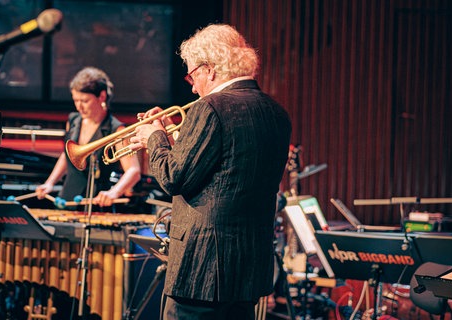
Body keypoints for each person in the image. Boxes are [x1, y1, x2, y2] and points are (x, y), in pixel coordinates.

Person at [129, 24, 292, 319]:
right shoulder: (276, 112)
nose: (192, 86)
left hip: (201, 272)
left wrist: (153, 138)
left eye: (192, 74)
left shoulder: (210, 107)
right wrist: (172, 138)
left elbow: (172, 177)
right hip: (247, 273)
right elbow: (226, 166)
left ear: (211, 69)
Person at [36, 67, 141, 207]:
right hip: (66, 200)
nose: (79, 107)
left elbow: (134, 171)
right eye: (75, 100)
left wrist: (113, 192)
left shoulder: (116, 129)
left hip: (96, 203)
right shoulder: (73, 121)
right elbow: (67, 155)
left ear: (102, 97)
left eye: (84, 101)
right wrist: (50, 182)